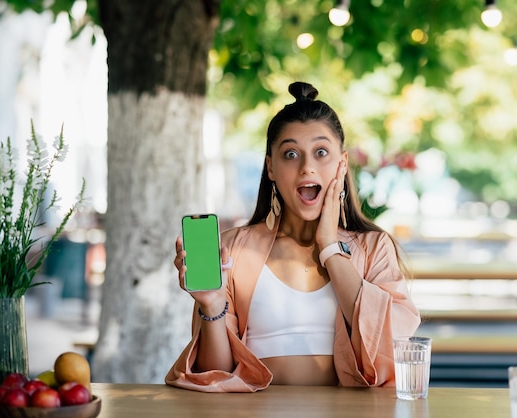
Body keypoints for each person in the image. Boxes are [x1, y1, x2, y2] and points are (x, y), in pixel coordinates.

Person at [166, 81, 421, 392]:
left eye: (321, 152)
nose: (307, 167)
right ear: (271, 167)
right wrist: (212, 305)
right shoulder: (235, 250)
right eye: (290, 154)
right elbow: (216, 377)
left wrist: (329, 247)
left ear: (342, 164)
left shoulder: (373, 248)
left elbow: (391, 346)